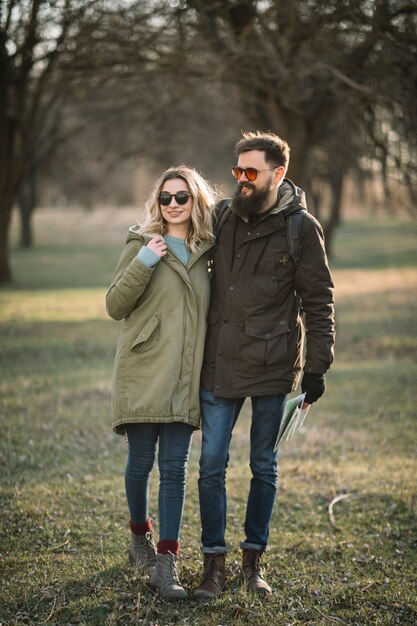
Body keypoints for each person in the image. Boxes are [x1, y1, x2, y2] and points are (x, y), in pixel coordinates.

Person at [193, 131, 335, 599]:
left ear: (278, 174)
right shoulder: (221, 218)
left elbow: (319, 302)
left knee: (263, 466)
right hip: (220, 362)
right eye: (237, 171)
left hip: (274, 368)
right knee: (211, 466)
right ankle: (213, 564)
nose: (241, 180)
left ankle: (253, 562)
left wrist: (317, 368)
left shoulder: (301, 228)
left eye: (250, 172)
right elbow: (177, 240)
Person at [106, 166, 216, 601]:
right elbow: (115, 305)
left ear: (196, 201)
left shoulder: (209, 249)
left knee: (175, 471)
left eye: (182, 197)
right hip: (143, 368)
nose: (173, 204)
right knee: (140, 463)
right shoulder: (140, 244)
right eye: (166, 197)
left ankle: (166, 564)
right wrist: (145, 260)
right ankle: (139, 539)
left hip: (186, 373)